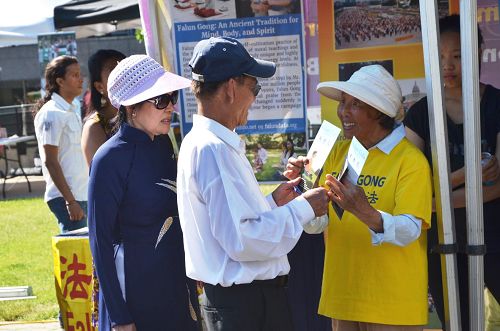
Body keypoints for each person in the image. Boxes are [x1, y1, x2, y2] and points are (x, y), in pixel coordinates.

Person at [177, 36, 330, 331]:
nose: (255, 97)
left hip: (243, 302)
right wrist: (303, 208)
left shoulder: (207, 143)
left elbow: (230, 224)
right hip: (245, 305)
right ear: (232, 88)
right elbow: (242, 240)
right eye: (254, 87)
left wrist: (273, 203)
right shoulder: (213, 149)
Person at [286, 65, 432, 330]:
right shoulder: (336, 151)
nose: (343, 111)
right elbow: (317, 225)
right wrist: (301, 193)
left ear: (378, 111)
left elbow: (411, 230)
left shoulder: (411, 160)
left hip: (392, 305)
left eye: (355, 104)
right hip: (342, 298)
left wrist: (365, 212)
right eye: (343, 102)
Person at [88, 55, 200, 331]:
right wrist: (120, 316)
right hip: (136, 293)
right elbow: (100, 242)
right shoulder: (109, 158)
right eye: (160, 100)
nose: (171, 106)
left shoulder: (164, 146)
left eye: (171, 97)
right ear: (131, 106)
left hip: (176, 285)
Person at [404, 14, 500, 331]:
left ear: (478, 52)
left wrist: (434, 200)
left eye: (457, 56)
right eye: (441, 56)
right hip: (443, 241)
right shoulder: (420, 114)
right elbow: (408, 189)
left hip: (495, 234)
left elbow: (496, 188)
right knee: (455, 323)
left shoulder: (497, 104)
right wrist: (469, 175)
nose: (448, 65)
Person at [33, 55, 88, 234]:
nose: (81, 79)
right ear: (60, 81)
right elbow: (51, 161)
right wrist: (70, 201)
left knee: (88, 256)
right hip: (67, 198)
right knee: (76, 258)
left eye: (80, 74)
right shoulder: (51, 113)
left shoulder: (72, 108)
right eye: (74, 75)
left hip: (81, 194)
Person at [81, 49, 126, 166]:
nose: (123, 75)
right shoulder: (95, 127)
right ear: (99, 86)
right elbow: (101, 178)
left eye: (125, 69)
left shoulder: (143, 113)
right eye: (114, 71)